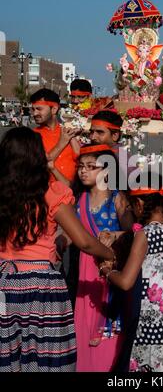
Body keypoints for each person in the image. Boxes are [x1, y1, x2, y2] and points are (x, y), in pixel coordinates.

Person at [0, 127, 114, 372]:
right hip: (41, 285)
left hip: (3, 283)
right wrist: (112, 254)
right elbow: (84, 241)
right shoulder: (51, 193)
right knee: (45, 358)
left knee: (7, 356)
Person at [100, 176, 163, 372]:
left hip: (147, 323)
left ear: (138, 204)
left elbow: (125, 282)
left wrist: (107, 270)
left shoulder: (144, 234)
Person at [72, 144, 133, 372]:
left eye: (91, 167)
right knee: (85, 319)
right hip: (85, 267)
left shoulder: (117, 199)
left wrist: (114, 234)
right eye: (80, 166)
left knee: (107, 315)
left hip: (109, 266)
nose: (83, 171)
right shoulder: (79, 199)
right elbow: (73, 233)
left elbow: (134, 230)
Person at [31, 88, 80, 186]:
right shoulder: (32, 136)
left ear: (54, 109)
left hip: (74, 193)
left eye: (39, 109)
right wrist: (61, 143)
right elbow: (39, 165)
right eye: (33, 109)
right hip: (47, 193)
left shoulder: (68, 130)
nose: (34, 113)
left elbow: (79, 157)